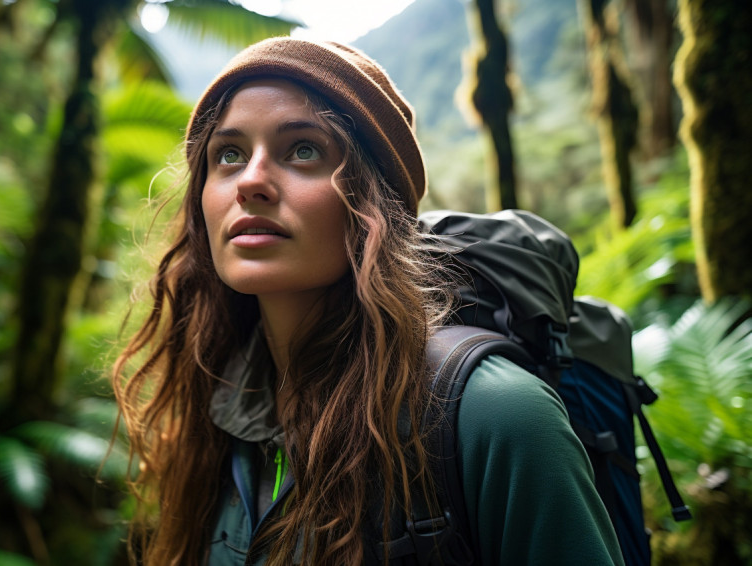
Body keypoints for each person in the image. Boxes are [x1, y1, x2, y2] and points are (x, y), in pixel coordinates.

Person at [113, 37, 624, 566]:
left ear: (374, 202)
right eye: (229, 154)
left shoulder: (494, 416)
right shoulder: (217, 410)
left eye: (303, 149)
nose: (251, 182)